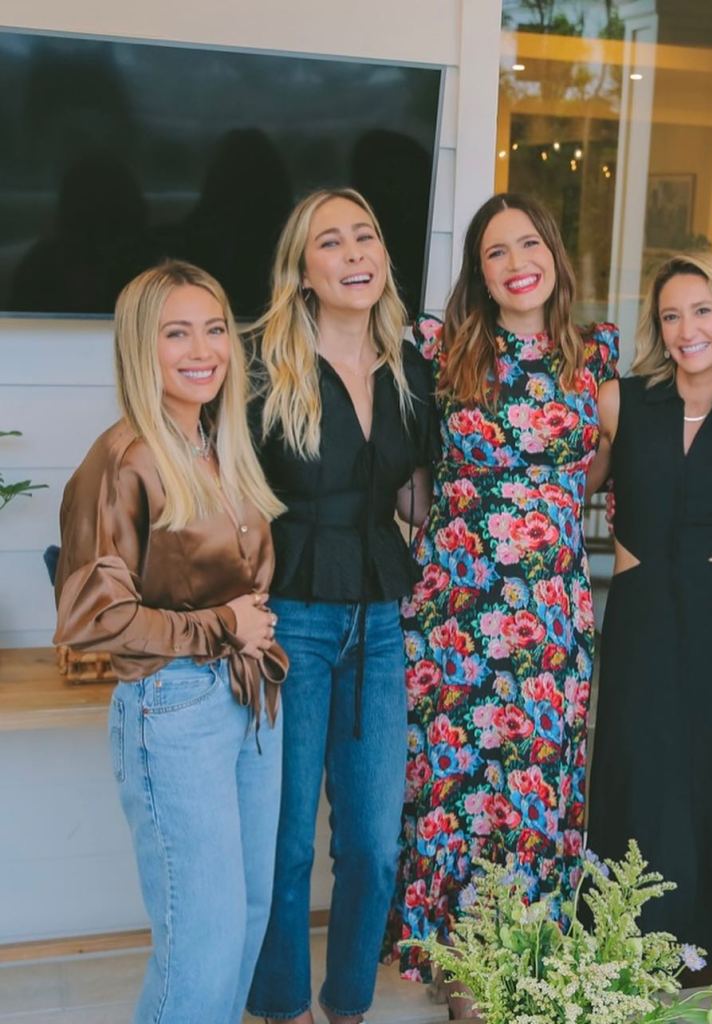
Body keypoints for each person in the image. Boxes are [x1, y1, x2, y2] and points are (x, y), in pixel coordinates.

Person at [388, 192, 618, 995]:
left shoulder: (595, 357)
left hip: (550, 610)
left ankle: (515, 970)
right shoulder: (441, 348)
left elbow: (594, 472)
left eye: (529, 245)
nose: (517, 264)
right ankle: (456, 976)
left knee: (532, 786)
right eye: (496, 252)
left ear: (555, 254)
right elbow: (415, 480)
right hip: (454, 603)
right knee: (453, 787)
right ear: (479, 273)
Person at [53, 260, 287, 1022]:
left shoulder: (219, 446)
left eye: (215, 329)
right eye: (176, 332)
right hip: (175, 708)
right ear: (139, 348)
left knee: (246, 922)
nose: (203, 348)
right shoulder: (123, 458)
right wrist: (222, 625)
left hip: (250, 698)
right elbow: (91, 618)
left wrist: (244, 628)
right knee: (202, 944)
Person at [246, 188, 435, 1024]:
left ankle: (348, 1007)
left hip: (383, 621)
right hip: (292, 618)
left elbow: (416, 491)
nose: (356, 253)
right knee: (287, 844)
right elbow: (229, 494)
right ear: (303, 269)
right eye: (332, 241)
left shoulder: (407, 363)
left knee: (371, 843)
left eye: (367, 235)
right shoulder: (261, 366)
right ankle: (283, 1009)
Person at [585, 252, 712, 977]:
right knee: (640, 767)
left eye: (701, 311)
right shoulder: (621, 400)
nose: (687, 328)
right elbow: (559, 481)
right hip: (638, 614)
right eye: (671, 314)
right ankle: (627, 944)